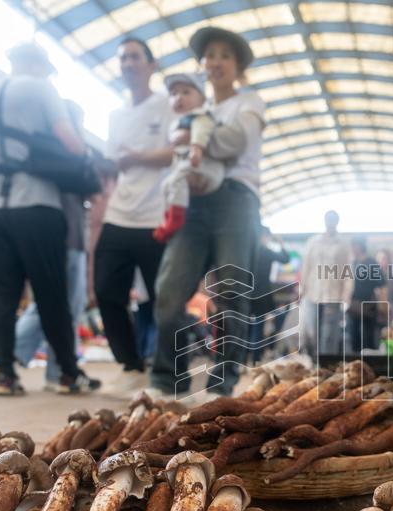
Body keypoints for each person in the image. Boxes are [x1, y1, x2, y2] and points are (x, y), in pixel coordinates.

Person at [0, 42, 99, 396]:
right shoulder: (42, 89)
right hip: (39, 204)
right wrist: (85, 156)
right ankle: (68, 374)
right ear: (40, 65)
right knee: (51, 294)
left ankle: (5, 375)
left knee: (3, 297)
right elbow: (71, 143)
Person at [149, 27, 266, 398]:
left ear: (238, 67)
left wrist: (193, 136)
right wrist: (191, 137)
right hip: (195, 202)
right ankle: (166, 379)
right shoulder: (201, 108)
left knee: (231, 289)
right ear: (202, 64)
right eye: (210, 55)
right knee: (169, 291)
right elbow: (182, 149)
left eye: (225, 56)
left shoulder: (249, 102)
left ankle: (222, 382)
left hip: (236, 199)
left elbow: (235, 142)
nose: (216, 62)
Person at [94, 37, 175, 397]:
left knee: (162, 299)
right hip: (119, 213)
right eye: (123, 58)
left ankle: (167, 371)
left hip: (156, 215)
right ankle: (131, 366)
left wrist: (139, 156)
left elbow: (178, 151)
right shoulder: (116, 115)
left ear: (151, 65)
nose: (128, 63)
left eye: (135, 57)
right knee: (106, 290)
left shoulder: (167, 105)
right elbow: (115, 164)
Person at [13, 100, 91, 391]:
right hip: (64, 237)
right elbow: (89, 185)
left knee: (55, 303)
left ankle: (51, 367)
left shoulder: (46, 151)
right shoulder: (62, 151)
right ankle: (52, 368)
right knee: (61, 306)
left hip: (65, 236)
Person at [152, 71, 225, 243]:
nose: (179, 97)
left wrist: (196, 148)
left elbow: (201, 132)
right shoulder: (179, 122)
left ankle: (175, 220)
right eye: (173, 94)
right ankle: (168, 218)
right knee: (166, 185)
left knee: (176, 180)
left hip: (205, 167)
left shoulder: (200, 116)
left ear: (202, 98)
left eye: (186, 92)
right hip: (191, 168)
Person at [299, 210, 353, 359]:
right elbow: (306, 267)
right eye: (328, 219)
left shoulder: (343, 245)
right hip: (312, 294)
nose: (330, 222)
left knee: (329, 335)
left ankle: (327, 364)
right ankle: (314, 363)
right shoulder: (313, 242)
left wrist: (346, 296)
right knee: (312, 332)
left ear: (337, 221)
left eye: (333, 219)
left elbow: (347, 272)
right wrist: (302, 289)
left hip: (333, 295)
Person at [248, 226, 290, 364]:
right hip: (262, 293)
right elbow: (285, 259)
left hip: (247, 293)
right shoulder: (266, 252)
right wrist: (281, 243)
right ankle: (256, 358)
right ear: (264, 236)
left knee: (249, 325)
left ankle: (246, 358)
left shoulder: (249, 251)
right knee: (260, 325)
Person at [347, 237, 385, 352]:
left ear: (360, 246)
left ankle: (369, 360)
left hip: (369, 306)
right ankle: (355, 359)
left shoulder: (371, 263)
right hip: (353, 306)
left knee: (368, 337)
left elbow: (381, 285)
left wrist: (383, 305)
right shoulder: (352, 263)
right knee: (354, 336)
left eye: (354, 246)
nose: (352, 249)